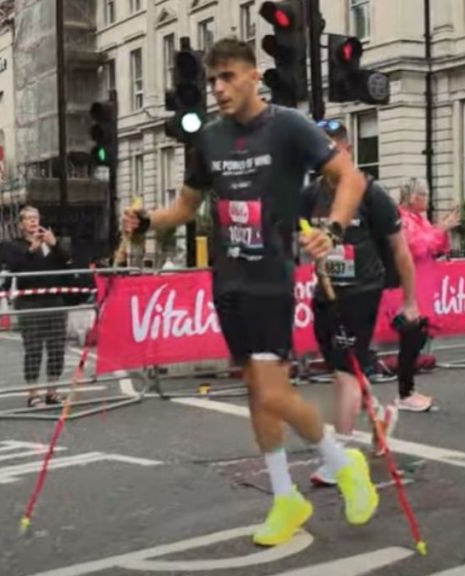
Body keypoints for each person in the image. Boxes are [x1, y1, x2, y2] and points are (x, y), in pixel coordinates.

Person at [120, 38, 378, 547]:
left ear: (254, 76)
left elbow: (351, 178)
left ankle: (341, 461)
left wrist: (335, 228)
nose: (217, 89)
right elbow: (184, 208)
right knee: (257, 392)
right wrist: (147, 219)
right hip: (228, 281)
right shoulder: (208, 140)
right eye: (212, 80)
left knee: (274, 390)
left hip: (270, 280)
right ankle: (285, 495)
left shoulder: (288, 126)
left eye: (228, 77)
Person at [300, 119, 418, 486]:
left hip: (362, 292)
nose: (325, 159)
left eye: (332, 150)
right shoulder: (311, 194)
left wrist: (409, 301)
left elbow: (400, 249)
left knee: (344, 372)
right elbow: (299, 236)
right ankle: (380, 415)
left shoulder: (370, 193)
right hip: (325, 292)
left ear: (347, 151)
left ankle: (341, 455)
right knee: (346, 364)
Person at [391, 178, 459, 412]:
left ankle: (408, 389)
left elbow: (438, 246)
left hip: (424, 285)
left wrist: (443, 230)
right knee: (410, 339)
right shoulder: (402, 219)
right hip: (410, 287)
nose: (427, 199)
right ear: (413, 197)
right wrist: (439, 230)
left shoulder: (420, 219)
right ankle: (404, 392)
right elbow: (417, 247)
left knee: (418, 337)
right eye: (424, 195)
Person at [1, 206, 71, 407]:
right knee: (33, 349)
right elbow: (13, 267)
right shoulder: (14, 245)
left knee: (57, 348)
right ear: (21, 224)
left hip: (54, 301)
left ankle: (53, 392)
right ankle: (33, 394)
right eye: (28, 218)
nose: (33, 221)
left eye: (36, 218)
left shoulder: (50, 241)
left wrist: (54, 244)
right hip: (29, 303)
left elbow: (66, 261)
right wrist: (31, 250)